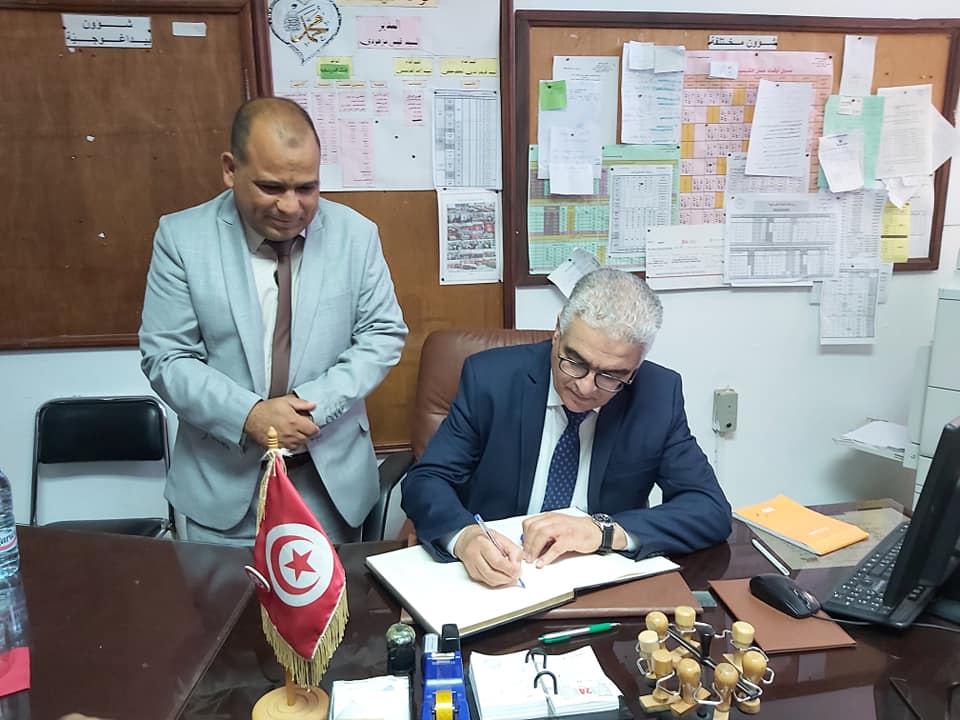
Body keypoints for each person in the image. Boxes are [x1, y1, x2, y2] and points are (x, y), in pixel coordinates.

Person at [139, 97, 407, 545]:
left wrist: (308, 405)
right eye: (271, 187)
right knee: (222, 594)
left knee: (335, 593)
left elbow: (382, 335)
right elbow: (167, 357)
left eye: (306, 188)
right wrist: (250, 415)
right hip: (223, 486)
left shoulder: (355, 236)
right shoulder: (182, 239)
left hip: (328, 485)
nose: (290, 206)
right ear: (230, 169)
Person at [401, 268, 730, 587]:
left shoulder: (657, 396)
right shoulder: (491, 380)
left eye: (611, 375)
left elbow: (709, 509)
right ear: (558, 330)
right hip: (503, 575)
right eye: (575, 362)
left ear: (636, 366)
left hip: (600, 581)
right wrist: (465, 537)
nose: (586, 387)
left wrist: (604, 531)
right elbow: (427, 479)